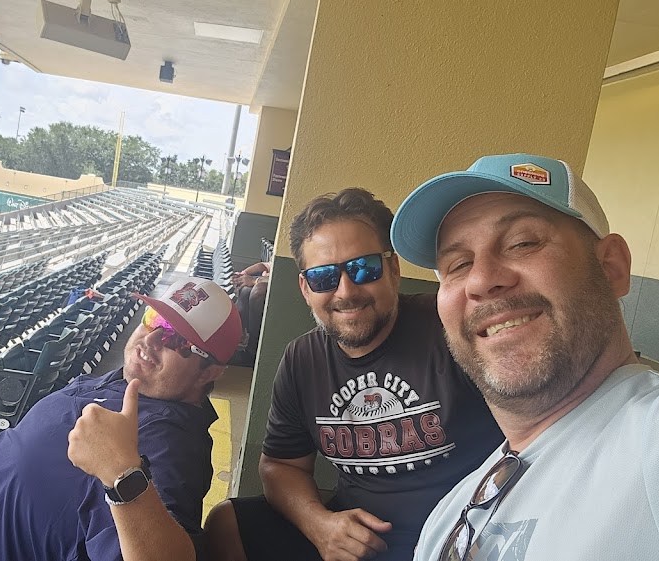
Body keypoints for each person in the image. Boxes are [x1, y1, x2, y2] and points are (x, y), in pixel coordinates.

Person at [389, 153, 659, 560]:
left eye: (523, 243)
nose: (481, 280)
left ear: (610, 267)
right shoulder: (447, 517)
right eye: (458, 264)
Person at [205, 188, 503, 561]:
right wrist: (320, 525)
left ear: (393, 270)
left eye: (364, 268)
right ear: (305, 288)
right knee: (227, 523)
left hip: (459, 537)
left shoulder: (450, 329)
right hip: (357, 538)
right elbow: (280, 465)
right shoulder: (301, 360)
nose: (346, 291)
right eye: (324, 277)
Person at [0, 277, 243, 561]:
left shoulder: (170, 441)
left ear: (210, 372)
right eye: (152, 319)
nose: (151, 340)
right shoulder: (130, 384)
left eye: (177, 341)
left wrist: (123, 475)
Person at [231, 261, 271, 363]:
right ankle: (237, 340)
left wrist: (254, 280)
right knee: (245, 290)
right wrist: (243, 274)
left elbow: (280, 280)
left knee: (258, 292)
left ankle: (252, 349)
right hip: (264, 281)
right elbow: (264, 266)